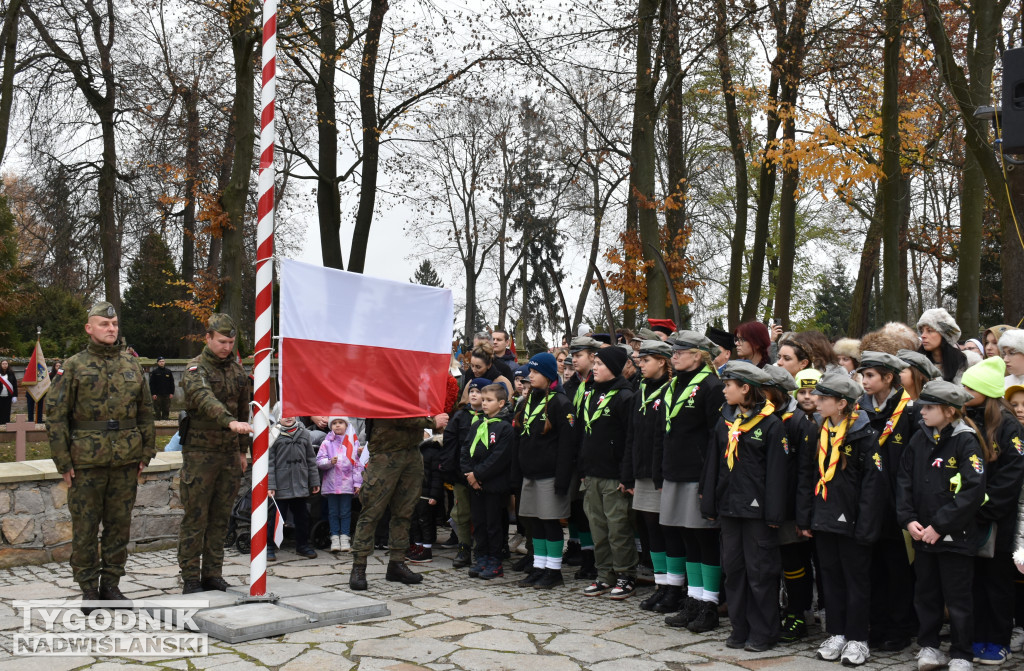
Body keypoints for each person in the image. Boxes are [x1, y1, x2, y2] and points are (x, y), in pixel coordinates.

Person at [46, 301, 156, 608]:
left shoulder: (132, 365)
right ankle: (89, 589)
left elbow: (145, 412)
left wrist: (146, 453)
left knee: (119, 527)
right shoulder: (74, 366)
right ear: (89, 328)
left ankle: (111, 585)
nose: (111, 329)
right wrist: (63, 461)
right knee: (85, 528)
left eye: (115, 324)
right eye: (104, 324)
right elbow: (55, 417)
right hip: (86, 463)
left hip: (125, 461)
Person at [897, 380, 986, 671]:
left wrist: (939, 526)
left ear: (949, 411)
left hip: (955, 537)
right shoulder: (919, 438)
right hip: (922, 535)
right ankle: (929, 646)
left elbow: (972, 491)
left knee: (958, 598)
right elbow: (905, 481)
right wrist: (909, 519)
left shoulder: (966, 440)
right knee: (927, 594)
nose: (922, 411)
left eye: (930, 407)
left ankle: (961, 653)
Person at [800, 369, 885, 667]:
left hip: (853, 523)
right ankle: (836, 632)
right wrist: (807, 518)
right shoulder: (819, 431)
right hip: (824, 519)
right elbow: (810, 477)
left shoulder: (864, 436)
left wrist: (865, 525)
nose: (815, 400)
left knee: (856, 581)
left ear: (842, 404)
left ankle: (858, 638)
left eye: (823, 398)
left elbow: (873, 487)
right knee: (831, 579)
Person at [701, 360, 787, 652]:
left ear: (745, 388)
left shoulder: (771, 424)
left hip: (757, 512)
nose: (724, 390)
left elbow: (777, 473)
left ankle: (764, 631)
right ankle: (740, 628)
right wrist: (709, 501)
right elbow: (713, 462)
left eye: (728, 385)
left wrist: (774, 513)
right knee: (734, 569)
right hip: (729, 507)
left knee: (760, 571)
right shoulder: (725, 419)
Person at [178, 313, 253, 594]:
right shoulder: (195, 369)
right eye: (222, 341)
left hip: (228, 454)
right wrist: (228, 421)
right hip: (200, 454)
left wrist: (242, 450)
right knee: (195, 518)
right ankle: (190, 577)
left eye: (231, 342)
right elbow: (203, 398)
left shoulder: (236, 371)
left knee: (221, 518)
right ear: (207, 338)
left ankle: (213, 573)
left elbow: (244, 409)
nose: (227, 347)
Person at [960, 357, 1024, 665]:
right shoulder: (965, 419)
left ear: (985, 390)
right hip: (969, 516)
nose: (964, 390)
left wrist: (981, 507)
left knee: (996, 580)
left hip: (996, 518)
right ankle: (974, 635)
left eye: (970, 386)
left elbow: (1010, 476)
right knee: (973, 579)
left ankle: (998, 639)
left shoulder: (1008, 425)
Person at [661, 332, 726, 632]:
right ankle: (693, 600)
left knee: (704, 539)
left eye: (681, 351)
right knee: (687, 537)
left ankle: (709, 605)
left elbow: (717, 437)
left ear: (698, 355)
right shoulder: (675, 383)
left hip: (699, 473)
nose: (674, 356)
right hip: (676, 470)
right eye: (673, 351)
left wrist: (709, 480)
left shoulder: (711, 386)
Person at [856, 351, 920, 652]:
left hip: (898, 502)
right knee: (874, 568)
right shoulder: (859, 409)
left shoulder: (909, 411)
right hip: (869, 503)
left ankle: (900, 627)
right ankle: (877, 624)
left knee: (898, 569)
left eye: (870, 375)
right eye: (862, 375)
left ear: (888, 377)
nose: (864, 381)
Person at [349, 411, 448, 591]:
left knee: (404, 512)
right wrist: (431, 422)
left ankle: (397, 563)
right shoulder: (383, 387)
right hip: (385, 456)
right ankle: (359, 567)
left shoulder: (411, 388)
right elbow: (394, 414)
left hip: (411, 454)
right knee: (371, 512)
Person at [513, 352, 577, 590]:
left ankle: (553, 571)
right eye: (530, 371)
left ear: (549, 375)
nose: (530, 376)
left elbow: (567, 445)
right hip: (530, 474)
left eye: (535, 372)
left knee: (550, 523)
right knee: (535, 524)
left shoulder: (561, 403)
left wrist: (562, 479)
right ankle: (539, 567)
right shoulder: (530, 400)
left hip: (550, 476)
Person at [578, 345, 637, 600]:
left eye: (600, 364)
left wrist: (627, 476)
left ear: (613, 368)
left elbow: (630, 440)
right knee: (598, 528)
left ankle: (625, 575)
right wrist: (582, 468)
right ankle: (604, 575)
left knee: (618, 529)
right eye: (595, 364)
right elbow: (584, 433)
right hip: (592, 472)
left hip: (614, 475)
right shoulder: (591, 393)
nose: (595, 368)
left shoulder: (625, 396)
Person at [624, 339, 673, 611]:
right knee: (649, 531)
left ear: (663, 362)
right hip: (641, 471)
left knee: (662, 531)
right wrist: (628, 473)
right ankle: (660, 584)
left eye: (646, 360)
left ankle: (672, 587)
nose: (640, 364)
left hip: (660, 474)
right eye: (640, 360)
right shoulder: (640, 389)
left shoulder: (669, 390)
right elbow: (631, 434)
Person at [462, 383, 515, 580]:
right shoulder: (477, 424)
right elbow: (466, 450)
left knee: (493, 524)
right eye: (483, 400)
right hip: (475, 485)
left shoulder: (505, 428)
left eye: (489, 400)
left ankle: (495, 560)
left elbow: (498, 458)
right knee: (479, 522)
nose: (484, 404)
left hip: (493, 484)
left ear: (501, 403)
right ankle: (481, 556)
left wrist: (478, 475)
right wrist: (469, 474)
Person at [564, 336, 602, 578]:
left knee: (592, 513)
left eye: (579, 355)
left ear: (592, 356)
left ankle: (594, 559)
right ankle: (583, 554)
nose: (573, 360)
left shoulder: (599, 384)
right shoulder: (570, 386)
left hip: (592, 456)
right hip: (573, 455)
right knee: (577, 508)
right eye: (572, 355)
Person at [440, 377, 489, 569]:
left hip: (483, 475)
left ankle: (481, 548)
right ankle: (464, 546)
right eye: (472, 391)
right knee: (461, 512)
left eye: (479, 391)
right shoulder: (460, 416)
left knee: (481, 513)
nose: (474, 394)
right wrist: (450, 468)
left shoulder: (490, 417)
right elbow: (450, 443)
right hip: (462, 474)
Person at [268, 415, 320, 558]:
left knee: (302, 517)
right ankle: (269, 547)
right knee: (278, 518)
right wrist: (270, 484)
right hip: (282, 484)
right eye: (284, 415)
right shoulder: (274, 433)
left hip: (300, 483)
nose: (288, 417)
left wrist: (314, 481)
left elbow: (310, 459)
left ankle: (302, 545)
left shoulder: (303, 433)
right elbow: (270, 462)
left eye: (291, 414)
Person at [317, 417, 364, 553]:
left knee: (345, 512)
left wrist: (357, 483)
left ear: (346, 425)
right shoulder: (326, 443)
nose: (337, 426)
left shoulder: (352, 443)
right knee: (333, 512)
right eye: (334, 423)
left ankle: (345, 537)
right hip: (331, 485)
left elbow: (357, 465)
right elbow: (319, 461)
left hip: (346, 485)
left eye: (340, 423)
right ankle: (334, 537)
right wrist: (330, 462)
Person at [407, 434, 444, 563]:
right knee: (415, 521)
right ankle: (418, 546)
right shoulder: (414, 450)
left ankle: (427, 548)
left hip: (426, 493)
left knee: (425, 522)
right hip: (415, 492)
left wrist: (434, 495)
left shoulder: (433, 452)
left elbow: (437, 476)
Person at [917, 308, 968, 384]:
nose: (923, 335)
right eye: (922, 331)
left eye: (929, 330)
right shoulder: (917, 362)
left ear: (944, 335)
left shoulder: (962, 362)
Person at [149, 356, 176, 421]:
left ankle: (165, 417)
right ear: (158, 363)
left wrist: (172, 392)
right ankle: (158, 418)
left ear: (165, 362)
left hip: (167, 393)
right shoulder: (155, 372)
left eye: (163, 361)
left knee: (166, 407)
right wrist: (153, 393)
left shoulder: (168, 371)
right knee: (157, 407)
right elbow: (152, 383)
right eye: (160, 361)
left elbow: (171, 383)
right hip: (158, 393)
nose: (162, 363)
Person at [0, 359, 17, 424]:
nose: (4, 365)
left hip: (8, 396)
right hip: (0, 396)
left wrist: (15, 395)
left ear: (8, 365)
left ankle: (6, 424)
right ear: (1, 365)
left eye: (6, 364)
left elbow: (15, 385)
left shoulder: (11, 373)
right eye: (3, 364)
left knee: (7, 411)